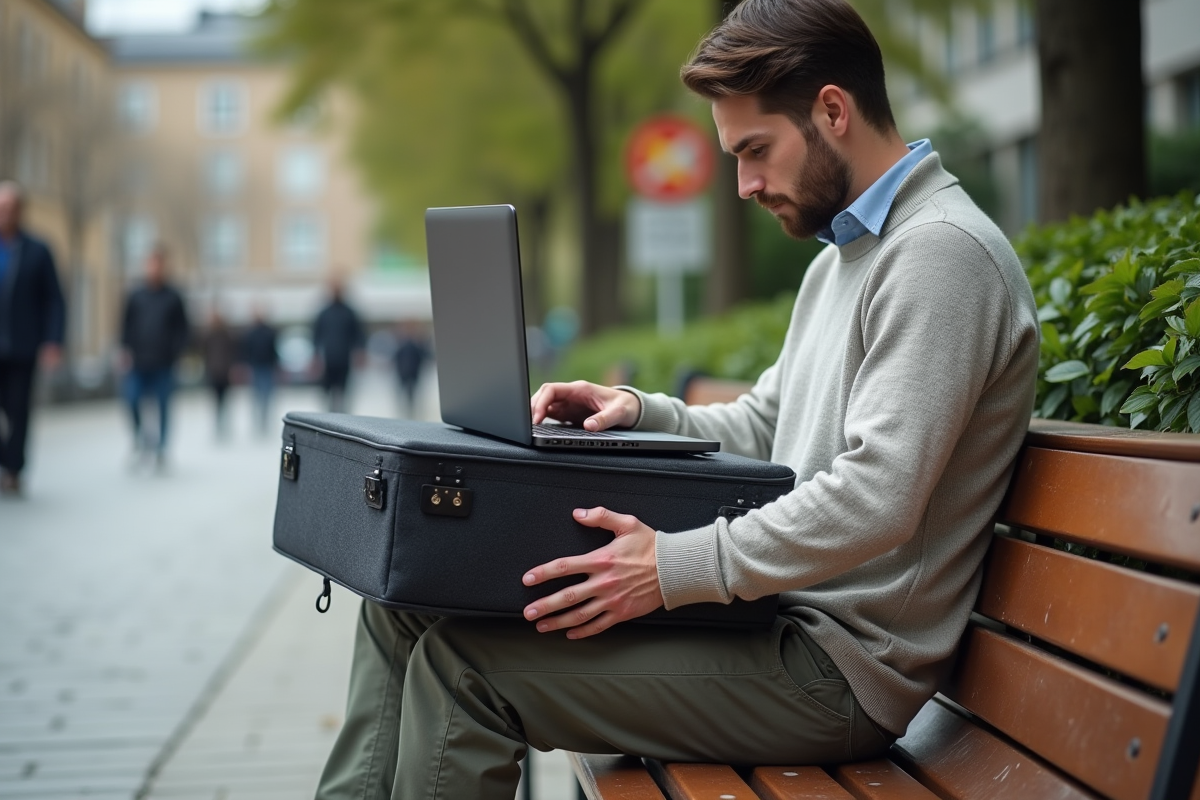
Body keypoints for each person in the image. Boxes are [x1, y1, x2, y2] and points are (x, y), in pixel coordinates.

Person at [315, 1, 1040, 796]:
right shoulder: (844, 258)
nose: (744, 184)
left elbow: (879, 497)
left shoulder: (940, 256)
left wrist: (670, 566)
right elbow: (767, 424)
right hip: (767, 621)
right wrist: (638, 410)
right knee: (403, 600)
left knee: (465, 671)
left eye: (756, 150)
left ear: (833, 110)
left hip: (832, 669)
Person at [0, 181, 65, 497]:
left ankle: (14, 470)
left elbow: (54, 299)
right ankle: (6, 459)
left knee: (18, 410)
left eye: (10, 208)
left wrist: (53, 341)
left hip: (23, 345)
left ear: (21, 211)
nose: (5, 214)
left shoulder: (38, 250)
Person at [121, 244, 189, 469]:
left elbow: (183, 329)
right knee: (131, 400)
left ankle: (161, 449)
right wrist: (124, 350)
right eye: (151, 264)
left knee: (163, 406)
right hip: (138, 360)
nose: (154, 268)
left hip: (164, 362)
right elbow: (126, 325)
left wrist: (177, 352)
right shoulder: (136, 295)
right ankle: (141, 439)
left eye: (158, 264)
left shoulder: (173, 296)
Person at [312, 278, 364, 413]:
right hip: (328, 359)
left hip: (344, 359)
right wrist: (316, 356)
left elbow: (358, 334)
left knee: (344, 392)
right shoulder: (324, 313)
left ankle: (343, 416)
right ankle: (330, 416)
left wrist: (360, 352)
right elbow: (316, 336)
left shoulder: (349, 312)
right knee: (327, 392)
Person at [241, 306, 279, 435]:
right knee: (257, 397)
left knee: (267, 397)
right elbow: (246, 352)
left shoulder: (269, 332)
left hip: (267, 367)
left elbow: (273, 351)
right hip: (256, 367)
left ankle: (265, 422)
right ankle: (258, 423)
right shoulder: (251, 333)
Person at [201, 309, 237, 439]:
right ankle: (219, 425)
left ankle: (222, 425)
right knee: (218, 400)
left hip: (223, 371)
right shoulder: (210, 335)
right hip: (215, 371)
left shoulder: (225, 334)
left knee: (223, 400)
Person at [392, 321, 429, 418]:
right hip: (403, 371)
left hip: (413, 371)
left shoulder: (417, 344)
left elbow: (424, 356)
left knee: (411, 392)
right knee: (402, 390)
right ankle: (404, 408)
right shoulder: (401, 343)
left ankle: (410, 408)